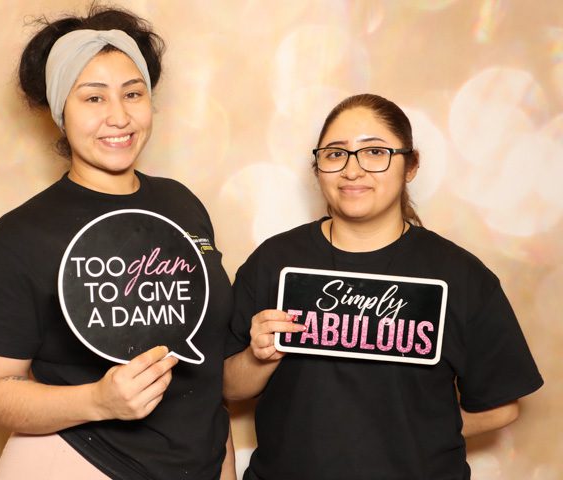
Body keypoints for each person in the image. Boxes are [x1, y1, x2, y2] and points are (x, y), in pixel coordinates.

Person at [0, 5, 235, 479]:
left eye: (133, 93)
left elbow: (208, 361)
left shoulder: (182, 204)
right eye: (93, 98)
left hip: (204, 461)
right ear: (59, 111)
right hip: (81, 462)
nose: (119, 116)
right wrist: (97, 400)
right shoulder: (18, 238)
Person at [223, 93, 543, 479]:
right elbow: (226, 386)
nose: (352, 170)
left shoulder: (461, 276)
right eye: (335, 154)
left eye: (375, 152)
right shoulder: (274, 262)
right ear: (318, 167)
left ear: (411, 166)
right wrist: (258, 357)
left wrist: (410, 437)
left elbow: (502, 406)